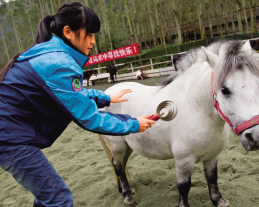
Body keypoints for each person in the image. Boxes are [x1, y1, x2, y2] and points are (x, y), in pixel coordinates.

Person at [0, 2, 155, 207]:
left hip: (9, 133)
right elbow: (89, 118)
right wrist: (134, 124)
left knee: (46, 196)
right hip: (10, 138)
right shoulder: (59, 63)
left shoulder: (49, 53)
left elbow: (70, 94)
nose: (92, 42)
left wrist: (106, 98)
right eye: (89, 35)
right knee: (59, 199)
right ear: (68, 32)